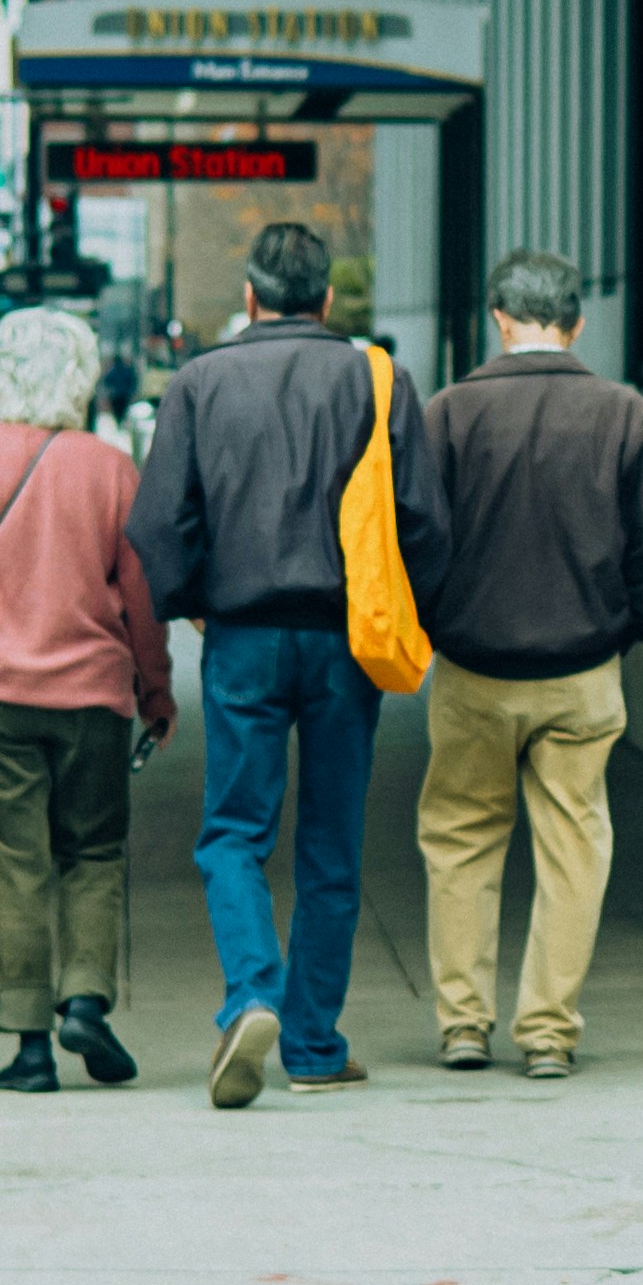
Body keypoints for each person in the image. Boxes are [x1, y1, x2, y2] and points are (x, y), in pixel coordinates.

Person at [128, 221, 449, 1109]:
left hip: (241, 632)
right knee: (331, 843)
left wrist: (193, 596)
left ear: (250, 296)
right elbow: (422, 518)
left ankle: (251, 995)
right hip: (348, 637)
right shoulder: (378, 376)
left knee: (233, 831)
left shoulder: (197, 382)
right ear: (328, 298)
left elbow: (159, 520)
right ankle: (312, 1043)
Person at [415, 250, 643, 1081]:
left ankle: (463, 1023)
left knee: (460, 841)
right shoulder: (623, 412)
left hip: (470, 670)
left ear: (499, 317)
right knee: (574, 849)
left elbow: (418, 542)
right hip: (583, 669)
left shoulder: (448, 413)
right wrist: (631, 627)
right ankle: (548, 1031)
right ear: (577, 321)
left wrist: (434, 624)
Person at [0, 305, 174, 1096]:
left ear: (1, 374)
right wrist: (155, 689)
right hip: (92, 696)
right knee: (92, 852)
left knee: (13, 863)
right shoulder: (110, 468)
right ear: (82, 378)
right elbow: (141, 595)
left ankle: (29, 1046)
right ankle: (87, 999)